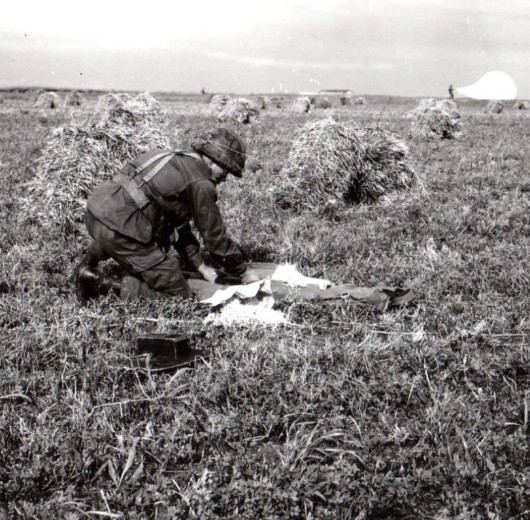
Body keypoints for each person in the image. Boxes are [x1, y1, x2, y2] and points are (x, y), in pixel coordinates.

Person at [74, 127, 260, 301]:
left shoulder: (168, 157)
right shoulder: (201, 182)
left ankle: (85, 264)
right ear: (212, 160)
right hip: (120, 230)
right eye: (225, 169)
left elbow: (178, 225)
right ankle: (97, 283)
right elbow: (214, 237)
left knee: (133, 223)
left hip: (96, 213)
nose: (225, 177)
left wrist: (200, 266)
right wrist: (242, 271)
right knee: (179, 294)